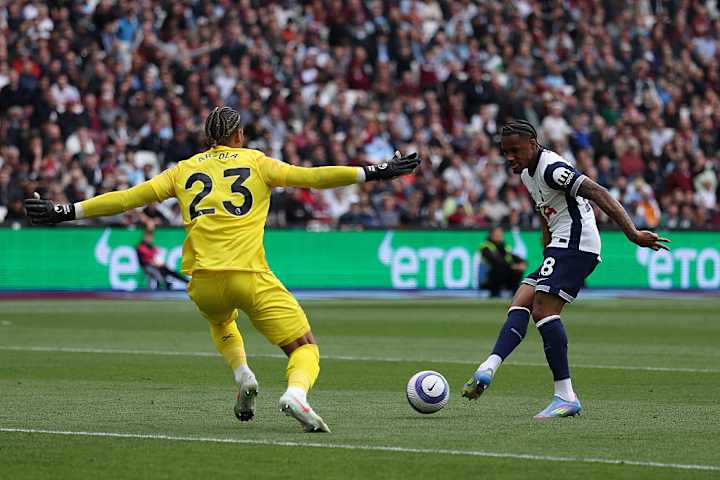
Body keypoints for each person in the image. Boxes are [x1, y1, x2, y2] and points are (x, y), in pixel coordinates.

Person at [25, 105, 420, 432]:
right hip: (249, 276)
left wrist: (66, 210)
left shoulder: (183, 169)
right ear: (239, 136)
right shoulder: (257, 163)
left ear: (206, 138)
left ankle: (243, 373)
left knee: (221, 323)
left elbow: (128, 198)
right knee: (304, 347)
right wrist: (375, 171)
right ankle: (296, 395)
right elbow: (312, 178)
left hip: (203, 281)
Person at [461, 120, 669, 418]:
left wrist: (633, 233)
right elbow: (545, 208)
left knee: (544, 310)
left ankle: (565, 396)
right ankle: (488, 368)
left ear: (533, 144)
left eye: (515, 150)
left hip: (577, 244)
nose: (509, 157)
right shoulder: (526, 174)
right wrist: (546, 239)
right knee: (521, 300)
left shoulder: (551, 168)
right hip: (560, 244)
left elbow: (598, 192)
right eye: (505, 152)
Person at [479, 226, 527, 297]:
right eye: (497, 234)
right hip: (490, 276)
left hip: (505, 273)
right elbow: (496, 261)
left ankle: (515, 296)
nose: (499, 236)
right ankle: (494, 294)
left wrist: (523, 262)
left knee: (518, 272)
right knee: (499, 270)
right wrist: (512, 266)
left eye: (500, 234)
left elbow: (513, 256)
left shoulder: (504, 246)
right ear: (491, 235)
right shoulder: (486, 247)